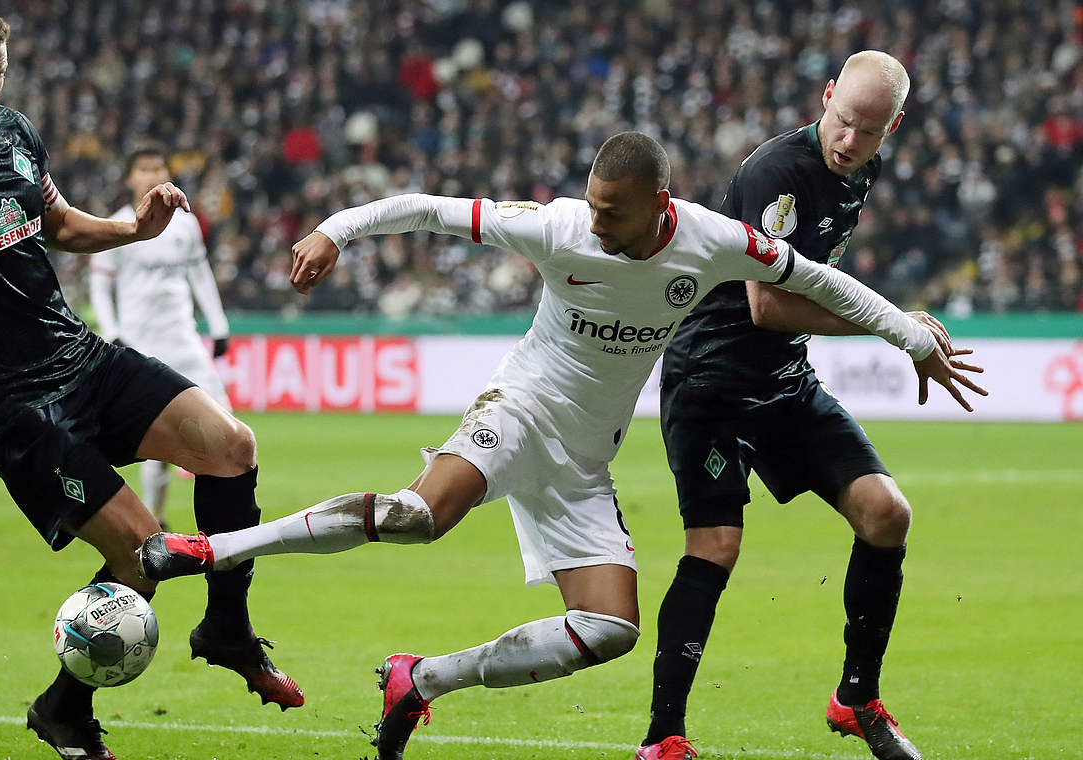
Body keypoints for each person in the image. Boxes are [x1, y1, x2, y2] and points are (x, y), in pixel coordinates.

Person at [137, 131, 985, 760]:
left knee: (611, 628)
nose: (595, 222)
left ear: (660, 205)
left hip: (584, 459)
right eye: (591, 204)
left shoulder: (714, 242)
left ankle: (419, 679)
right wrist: (336, 228)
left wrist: (908, 334)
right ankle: (211, 548)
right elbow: (429, 210)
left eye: (612, 212)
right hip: (522, 408)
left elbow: (817, 279)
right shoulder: (557, 227)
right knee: (417, 516)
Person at [0, 4, 301, 759]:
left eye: (1, 79)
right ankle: (63, 709)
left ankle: (226, 629)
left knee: (231, 445)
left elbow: (56, 222)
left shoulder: (13, 131)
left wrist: (133, 231)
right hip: (16, 406)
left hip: (82, 358)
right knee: (143, 553)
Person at [641, 52, 986, 760]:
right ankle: (663, 737)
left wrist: (897, 324)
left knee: (888, 514)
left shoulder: (863, 170)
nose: (849, 140)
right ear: (825, 96)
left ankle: (856, 698)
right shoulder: (777, 174)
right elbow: (766, 305)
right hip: (711, 380)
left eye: (867, 130)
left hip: (785, 380)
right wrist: (895, 326)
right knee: (717, 545)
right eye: (841, 120)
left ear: (893, 127)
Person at [88, 148, 232, 530]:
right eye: (144, 168)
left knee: (226, 422)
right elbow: (99, 287)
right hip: (141, 344)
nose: (152, 174)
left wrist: (218, 325)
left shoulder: (184, 225)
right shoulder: (118, 224)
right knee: (157, 440)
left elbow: (200, 276)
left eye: (158, 167)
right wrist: (112, 331)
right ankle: (156, 521)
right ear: (130, 178)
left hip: (184, 339)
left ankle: (227, 516)